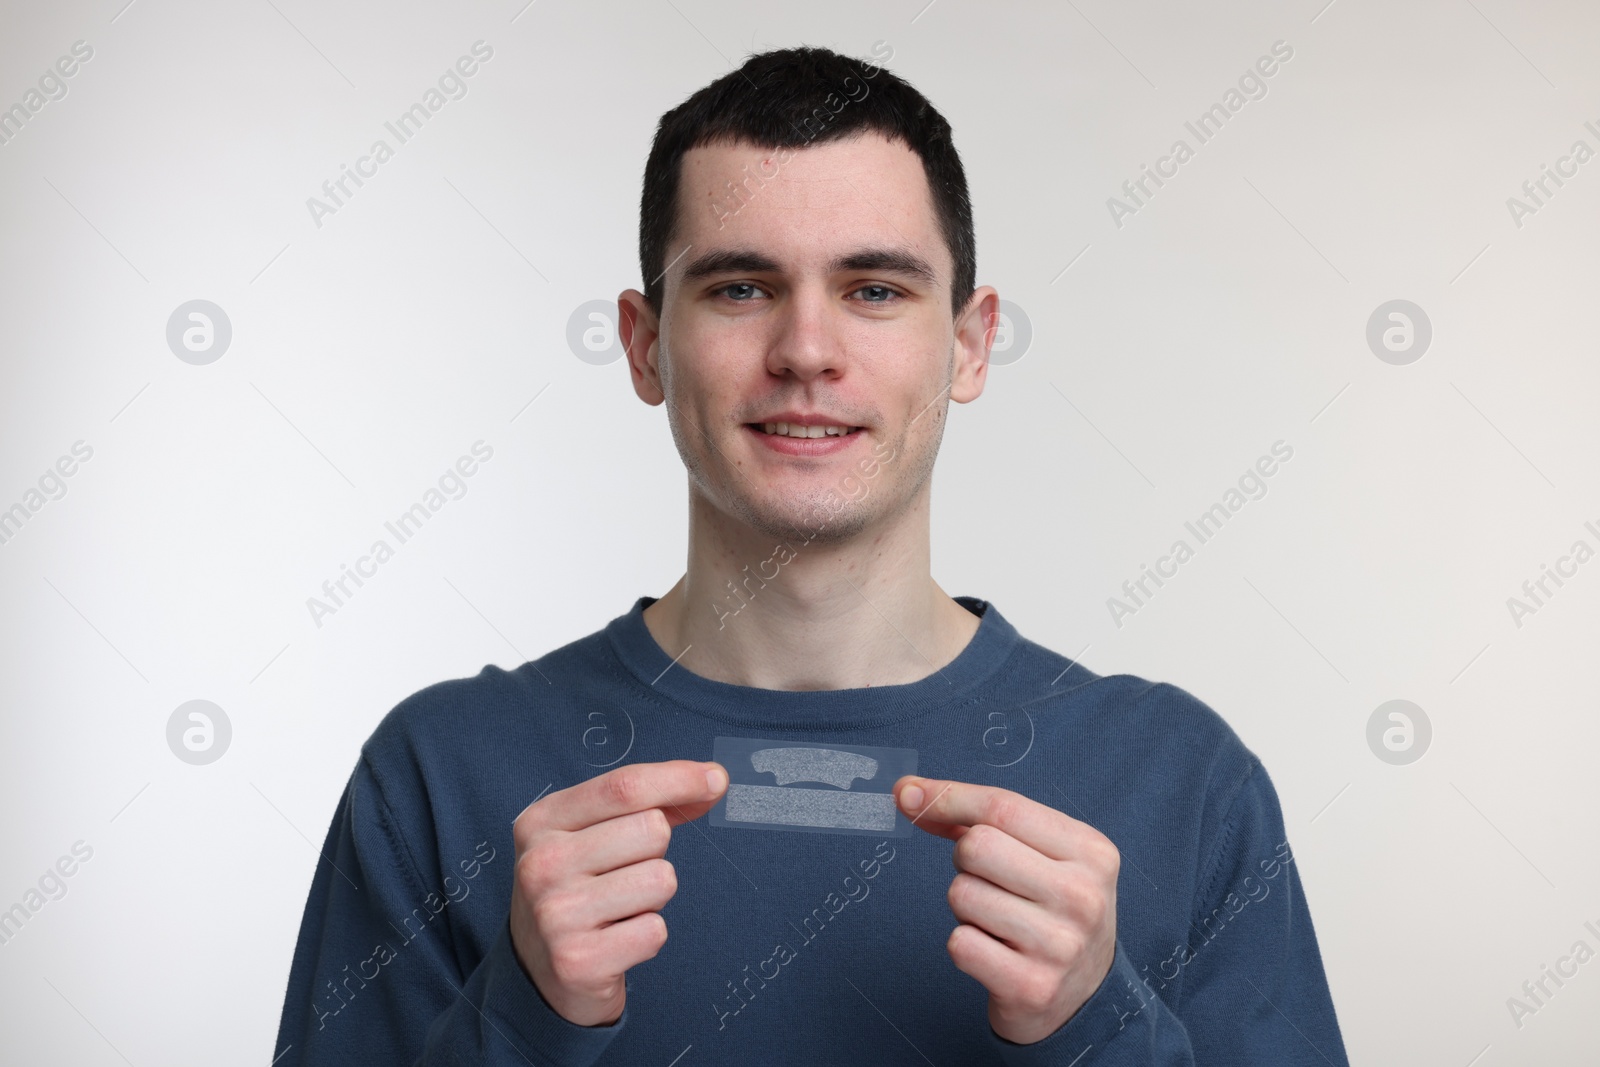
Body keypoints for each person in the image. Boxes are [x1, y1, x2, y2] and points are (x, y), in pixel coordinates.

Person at [272, 44, 1349, 1065]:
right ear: (647, 344)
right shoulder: (439, 775)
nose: (805, 351)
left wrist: (1098, 1026)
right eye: (740, 287)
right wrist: (524, 1016)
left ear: (969, 342)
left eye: (874, 289)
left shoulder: (1181, 782)